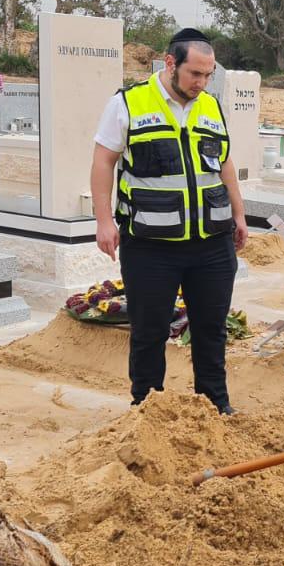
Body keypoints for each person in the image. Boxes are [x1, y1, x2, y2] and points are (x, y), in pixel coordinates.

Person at [89, 28, 249, 414]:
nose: (202, 83)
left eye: (208, 75)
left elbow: (223, 162)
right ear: (170, 63)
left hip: (211, 242)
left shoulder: (210, 105)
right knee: (150, 332)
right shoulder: (128, 103)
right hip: (150, 246)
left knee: (211, 330)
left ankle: (214, 406)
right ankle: (147, 408)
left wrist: (239, 214)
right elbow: (103, 161)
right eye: (195, 74)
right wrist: (103, 220)